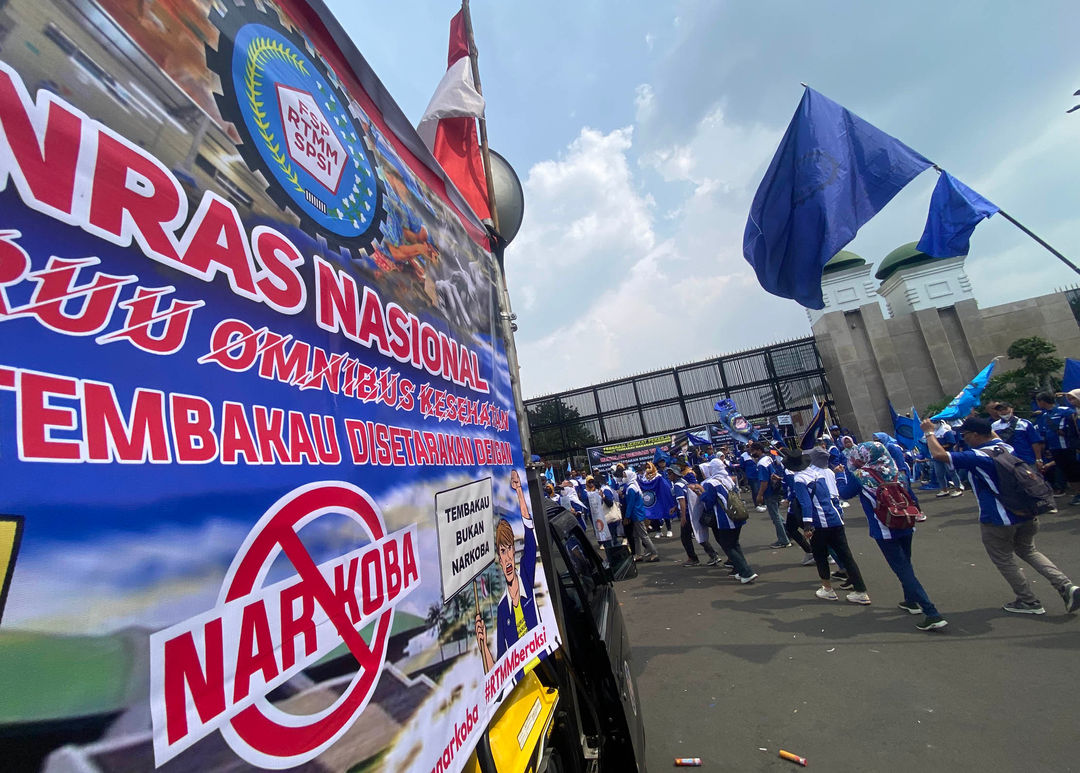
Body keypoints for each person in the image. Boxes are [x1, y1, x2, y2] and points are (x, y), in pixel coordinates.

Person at [922, 416, 1080, 615]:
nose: (965, 439)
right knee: (1029, 550)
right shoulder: (1006, 447)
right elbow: (992, 434)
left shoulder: (978, 457)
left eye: (966, 435)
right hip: (1026, 509)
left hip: (999, 517)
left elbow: (939, 455)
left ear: (976, 435)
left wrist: (928, 432)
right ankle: (1065, 585)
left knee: (1003, 558)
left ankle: (1028, 601)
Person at [840, 442, 947, 631]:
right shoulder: (896, 470)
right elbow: (910, 494)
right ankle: (910, 601)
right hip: (906, 521)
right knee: (906, 563)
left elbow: (844, 494)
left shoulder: (861, 476)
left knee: (902, 569)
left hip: (884, 528)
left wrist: (842, 474)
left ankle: (931, 612)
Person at [476, 470, 541, 676]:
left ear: (514, 550)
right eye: (501, 552)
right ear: (498, 558)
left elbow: (529, 532)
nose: (507, 558)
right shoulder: (503, 609)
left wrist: (519, 491)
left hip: (544, 668)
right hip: (524, 680)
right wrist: (483, 646)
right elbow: (499, 671)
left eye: (509, 549)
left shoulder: (526, 578)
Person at [795, 447, 871, 604]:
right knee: (846, 555)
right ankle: (861, 590)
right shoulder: (819, 473)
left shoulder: (799, 479)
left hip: (818, 521)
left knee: (820, 555)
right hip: (835, 518)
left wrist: (807, 525)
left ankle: (828, 589)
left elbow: (806, 503)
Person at [695, 467, 757, 583]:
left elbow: (709, 502)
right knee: (734, 544)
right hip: (737, 515)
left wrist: (700, 493)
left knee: (727, 545)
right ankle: (741, 570)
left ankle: (747, 572)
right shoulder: (728, 479)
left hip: (726, 519)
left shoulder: (711, 483)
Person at [1035, 391, 1080, 506]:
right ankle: (1077, 494)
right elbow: (1043, 433)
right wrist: (1047, 449)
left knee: (1075, 470)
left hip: (1068, 447)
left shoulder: (1065, 411)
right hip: (1055, 448)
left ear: (1042, 401)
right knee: (1067, 471)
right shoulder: (1044, 416)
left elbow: (1074, 427)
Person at [748, 442, 791, 548]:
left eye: (753, 451)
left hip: (769, 492)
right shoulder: (768, 458)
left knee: (775, 517)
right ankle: (788, 534)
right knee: (777, 516)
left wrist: (759, 495)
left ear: (758, 450)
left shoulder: (761, 463)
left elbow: (764, 482)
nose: (751, 453)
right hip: (774, 489)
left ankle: (783, 540)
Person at [616, 464, 659, 562]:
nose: (623, 478)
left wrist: (626, 517)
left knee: (643, 536)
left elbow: (630, 504)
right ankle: (639, 554)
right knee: (636, 536)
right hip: (636, 514)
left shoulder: (631, 488)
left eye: (625, 476)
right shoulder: (633, 486)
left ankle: (654, 553)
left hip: (636, 515)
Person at [985, 400, 1045, 466]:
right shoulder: (994, 426)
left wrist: (1038, 459)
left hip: (1026, 459)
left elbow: (1035, 442)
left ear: (1011, 409)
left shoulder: (1024, 423)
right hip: (1007, 461)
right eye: (1000, 410)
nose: (1003, 412)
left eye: (1005, 409)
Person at [931, 420, 964, 498]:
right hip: (936, 456)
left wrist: (939, 448)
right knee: (939, 474)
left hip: (947, 455)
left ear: (940, 423)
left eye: (935, 422)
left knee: (952, 472)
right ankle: (944, 490)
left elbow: (951, 443)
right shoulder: (934, 434)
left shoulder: (946, 432)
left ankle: (958, 489)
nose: (934, 425)